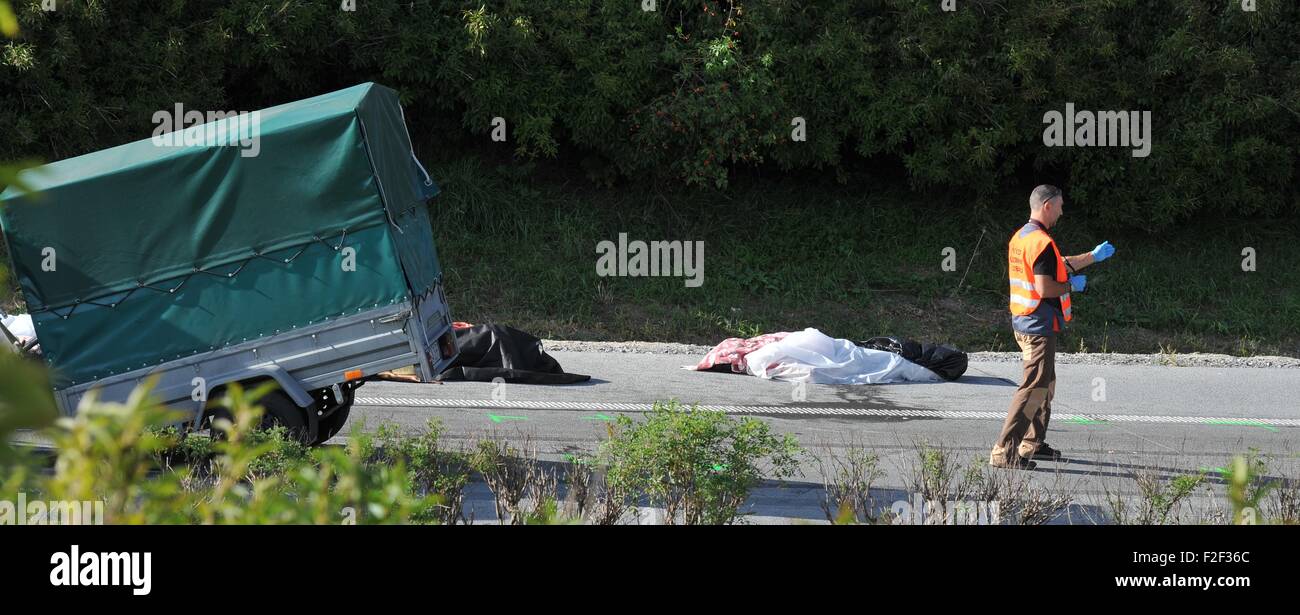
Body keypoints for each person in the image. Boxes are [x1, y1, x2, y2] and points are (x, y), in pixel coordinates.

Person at [990, 185, 1115, 469]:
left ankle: (1033, 444)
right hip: (1037, 325)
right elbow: (1046, 285)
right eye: (1059, 205)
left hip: (1026, 321)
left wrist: (1093, 257)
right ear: (1047, 206)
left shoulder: (1024, 237)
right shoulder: (1041, 242)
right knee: (1034, 386)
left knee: (1045, 384)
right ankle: (1004, 451)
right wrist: (1072, 286)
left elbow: (1056, 266)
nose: (1061, 211)